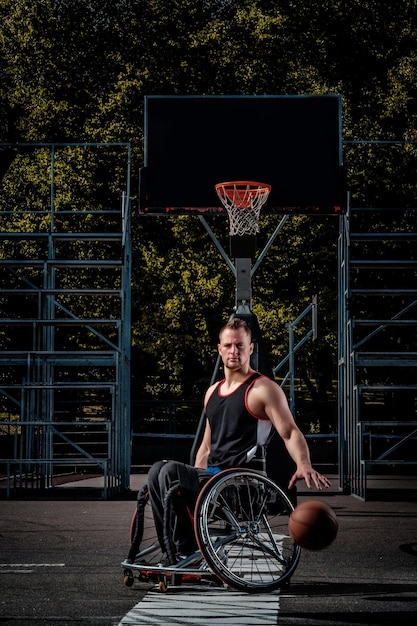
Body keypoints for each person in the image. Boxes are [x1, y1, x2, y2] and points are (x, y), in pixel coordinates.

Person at [147, 317, 331, 563]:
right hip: (213, 481)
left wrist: (303, 464)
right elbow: (206, 446)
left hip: (241, 484)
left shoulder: (262, 389)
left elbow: (290, 432)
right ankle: (173, 551)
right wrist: (195, 486)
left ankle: (187, 552)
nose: (234, 351)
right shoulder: (212, 391)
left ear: (251, 348)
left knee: (169, 471)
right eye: (228, 345)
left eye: (240, 345)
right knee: (157, 471)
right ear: (219, 349)